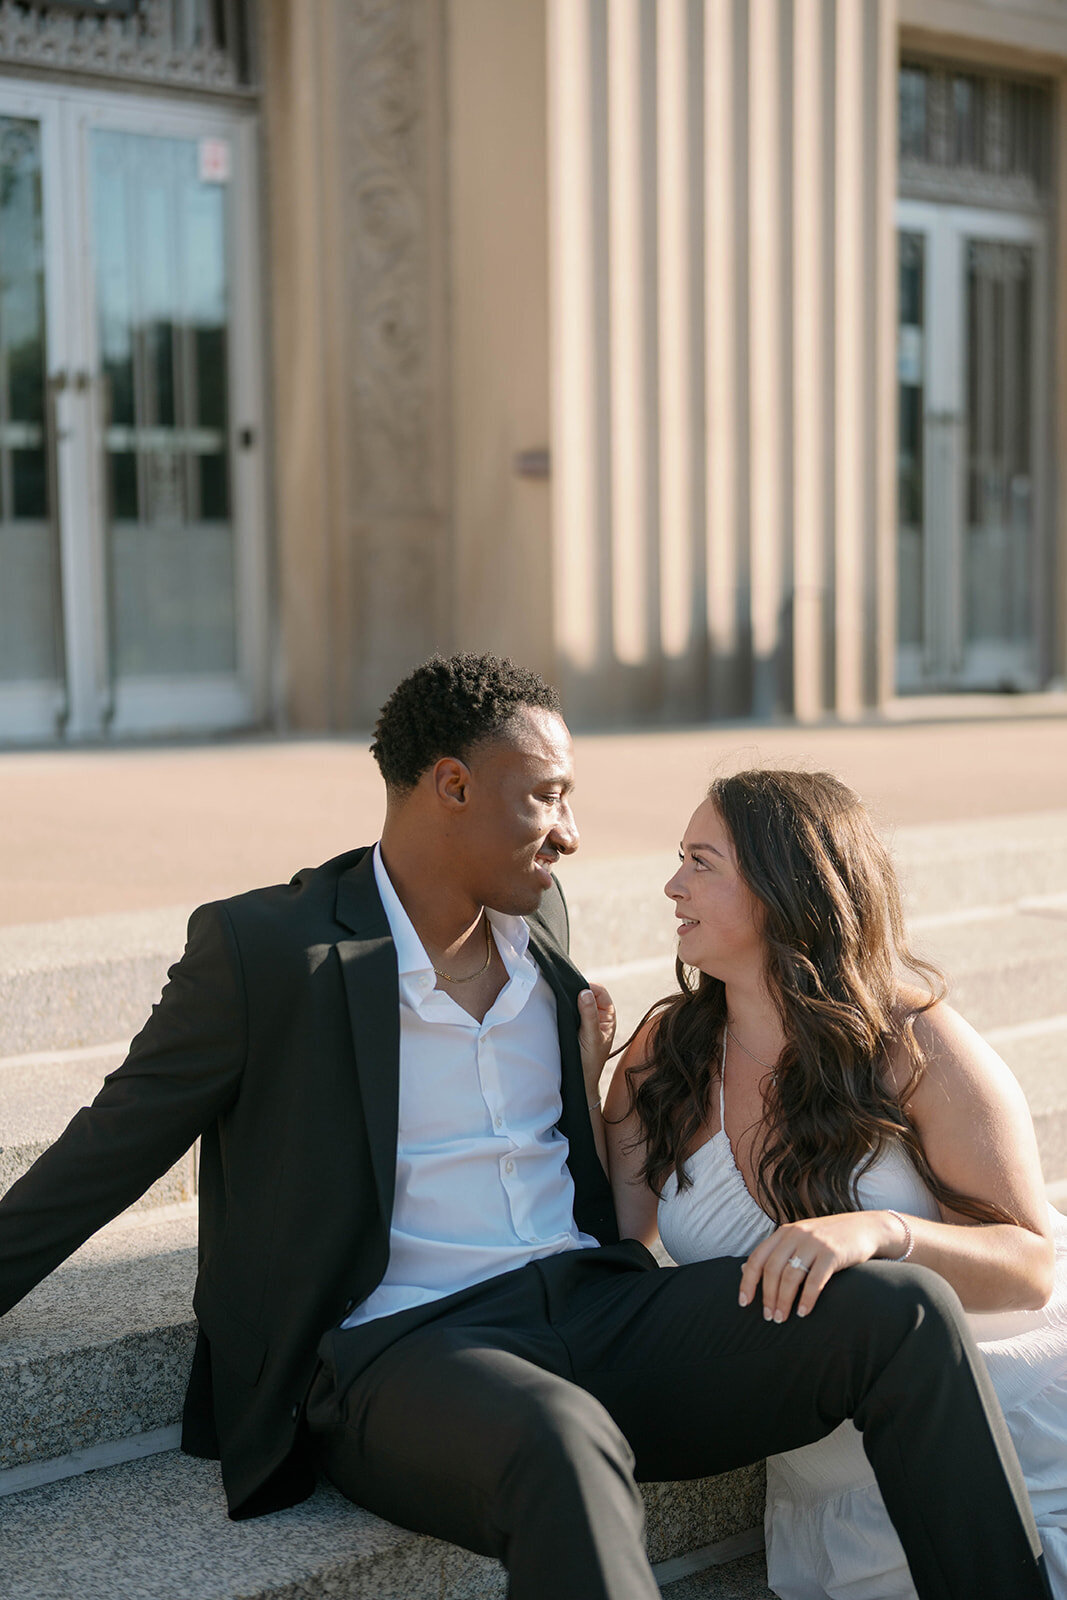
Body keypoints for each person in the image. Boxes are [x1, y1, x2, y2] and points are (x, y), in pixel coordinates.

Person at [0, 661, 1054, 1600]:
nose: (571, 832)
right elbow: (111, 1142)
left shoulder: (540, 927)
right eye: (544, 796)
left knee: (901, 1307)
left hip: (597, 1309)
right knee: (560, 1435)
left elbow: (602, 1180)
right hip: (406, 1346)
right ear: (452, 785)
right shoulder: (268, 950)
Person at [603, 767, 1067, 1600]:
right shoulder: (660, 1056)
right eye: (679, 859)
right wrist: (571, 1087)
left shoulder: (911, 1043)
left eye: (700, 863)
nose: (672, 885)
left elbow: (1030, 1264)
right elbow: (613, 1250)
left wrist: (878, 1233)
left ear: (787, 886)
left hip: (1006, 1424)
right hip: (830, 1467)